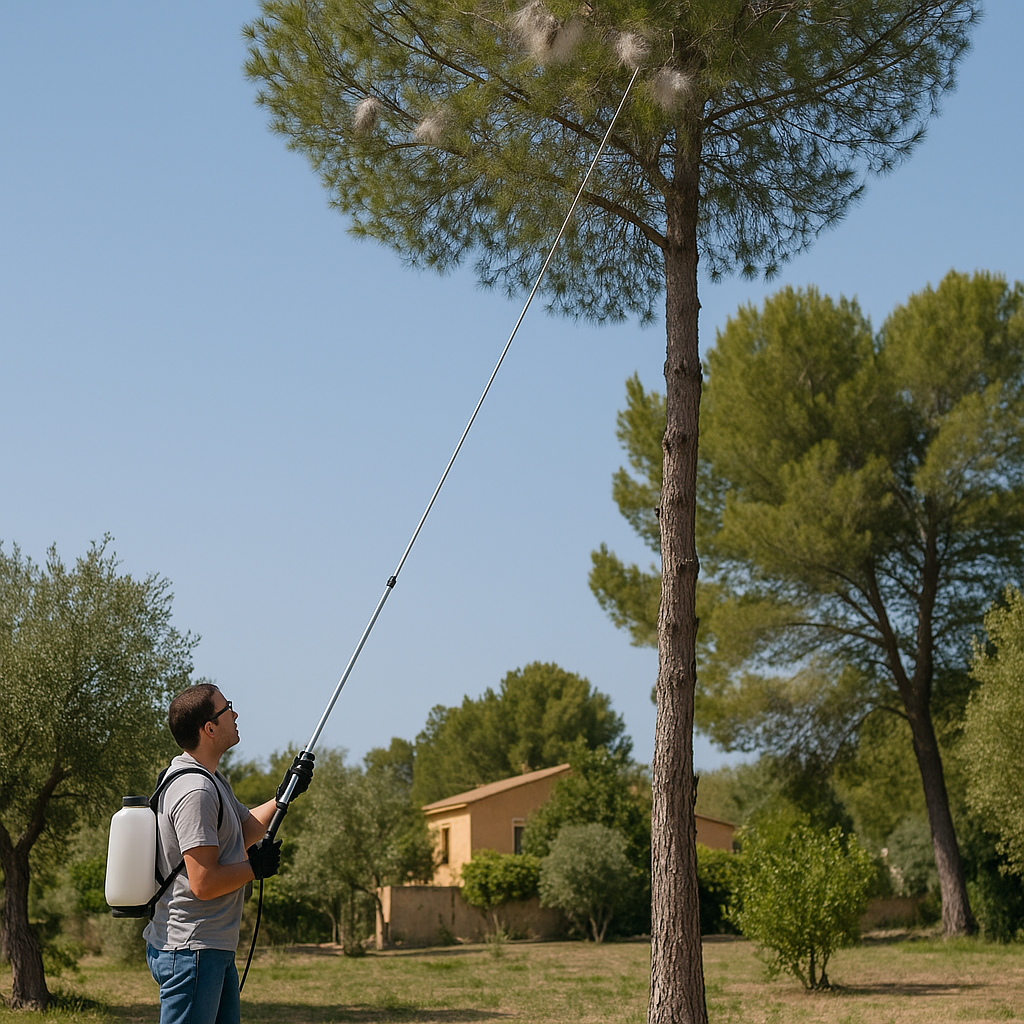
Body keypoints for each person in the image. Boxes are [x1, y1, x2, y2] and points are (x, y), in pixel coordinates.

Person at [143, 682, 314, 1024]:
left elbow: (245, 830)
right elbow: (203, 883)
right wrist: (254, 868)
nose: (235, 715)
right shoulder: (195, 791)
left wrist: (285, 795)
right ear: (209, 728)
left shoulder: (211, 780)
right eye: (227, 709)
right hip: (192, 951)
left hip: (210, 948)